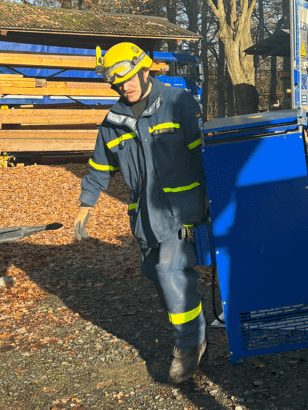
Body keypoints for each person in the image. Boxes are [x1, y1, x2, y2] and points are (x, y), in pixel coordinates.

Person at [73, 42, 208, 385]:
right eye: (118, 84)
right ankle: (195, 329)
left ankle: (188, 345)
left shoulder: (178, 103)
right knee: (156, 273)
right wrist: (86, 204)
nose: (125, 87)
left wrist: (212, 201)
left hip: (181, 211)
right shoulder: (113, 122)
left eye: (130, 78)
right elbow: (99, 167)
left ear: (146, 70)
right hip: (144, 217)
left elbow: (204, 155)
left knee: (170, 270)